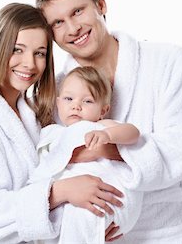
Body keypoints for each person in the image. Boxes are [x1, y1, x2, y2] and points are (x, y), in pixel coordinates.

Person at [35, 0, 182, 243]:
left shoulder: (169, 63)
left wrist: (93, 149)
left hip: (161, 231)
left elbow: (176, 153)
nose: (73, 28)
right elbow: (43, 171)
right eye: (58, 22)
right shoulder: (54, 92)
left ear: (100, 4)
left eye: (78, 11)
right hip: (88, 230)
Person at [0, 3, 124, 243]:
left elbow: (37, 205)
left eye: (40, 53)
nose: (29, 64)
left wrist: (84, 231)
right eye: (17, 50)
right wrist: (62, 190)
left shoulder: (31, 116)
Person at [30, 66, 142, 244]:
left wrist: (108, 135)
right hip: (70, 196)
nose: (76, 105)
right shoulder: (52, 134)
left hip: (104, 194)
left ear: (103, 110)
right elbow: (45, 167)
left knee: (81, 217)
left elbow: (133, 133)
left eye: (88, 101)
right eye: (69, 98)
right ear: (58, 103)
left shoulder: (101, 126)